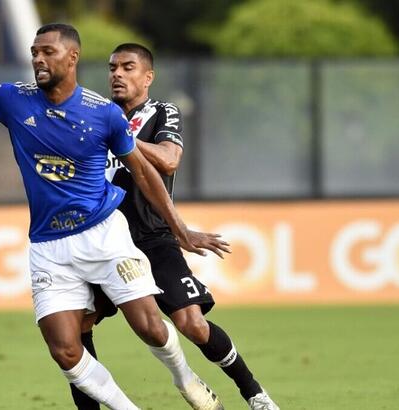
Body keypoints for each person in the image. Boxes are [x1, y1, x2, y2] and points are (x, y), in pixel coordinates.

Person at [0, 24, 228, 410]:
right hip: (49, 246)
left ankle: (186, 379)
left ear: (71, 57)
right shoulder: (12, 99)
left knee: (151, 329)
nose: (38, 59)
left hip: (104, 234)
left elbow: (144, 172)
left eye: (48, 52)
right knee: (65, 352)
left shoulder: (103, 113)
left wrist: (180, 230)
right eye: (34, 52)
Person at [68, 43, 280, 410]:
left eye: (128, 67)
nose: (117, 74)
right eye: (112, 67)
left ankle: (255, 395)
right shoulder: (94, 115)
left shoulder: (161, 111)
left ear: (147, 77)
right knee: (77, 328)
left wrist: (121, 137)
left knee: (192, 324)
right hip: (99, 238)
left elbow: (169, 159)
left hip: (152, 237)